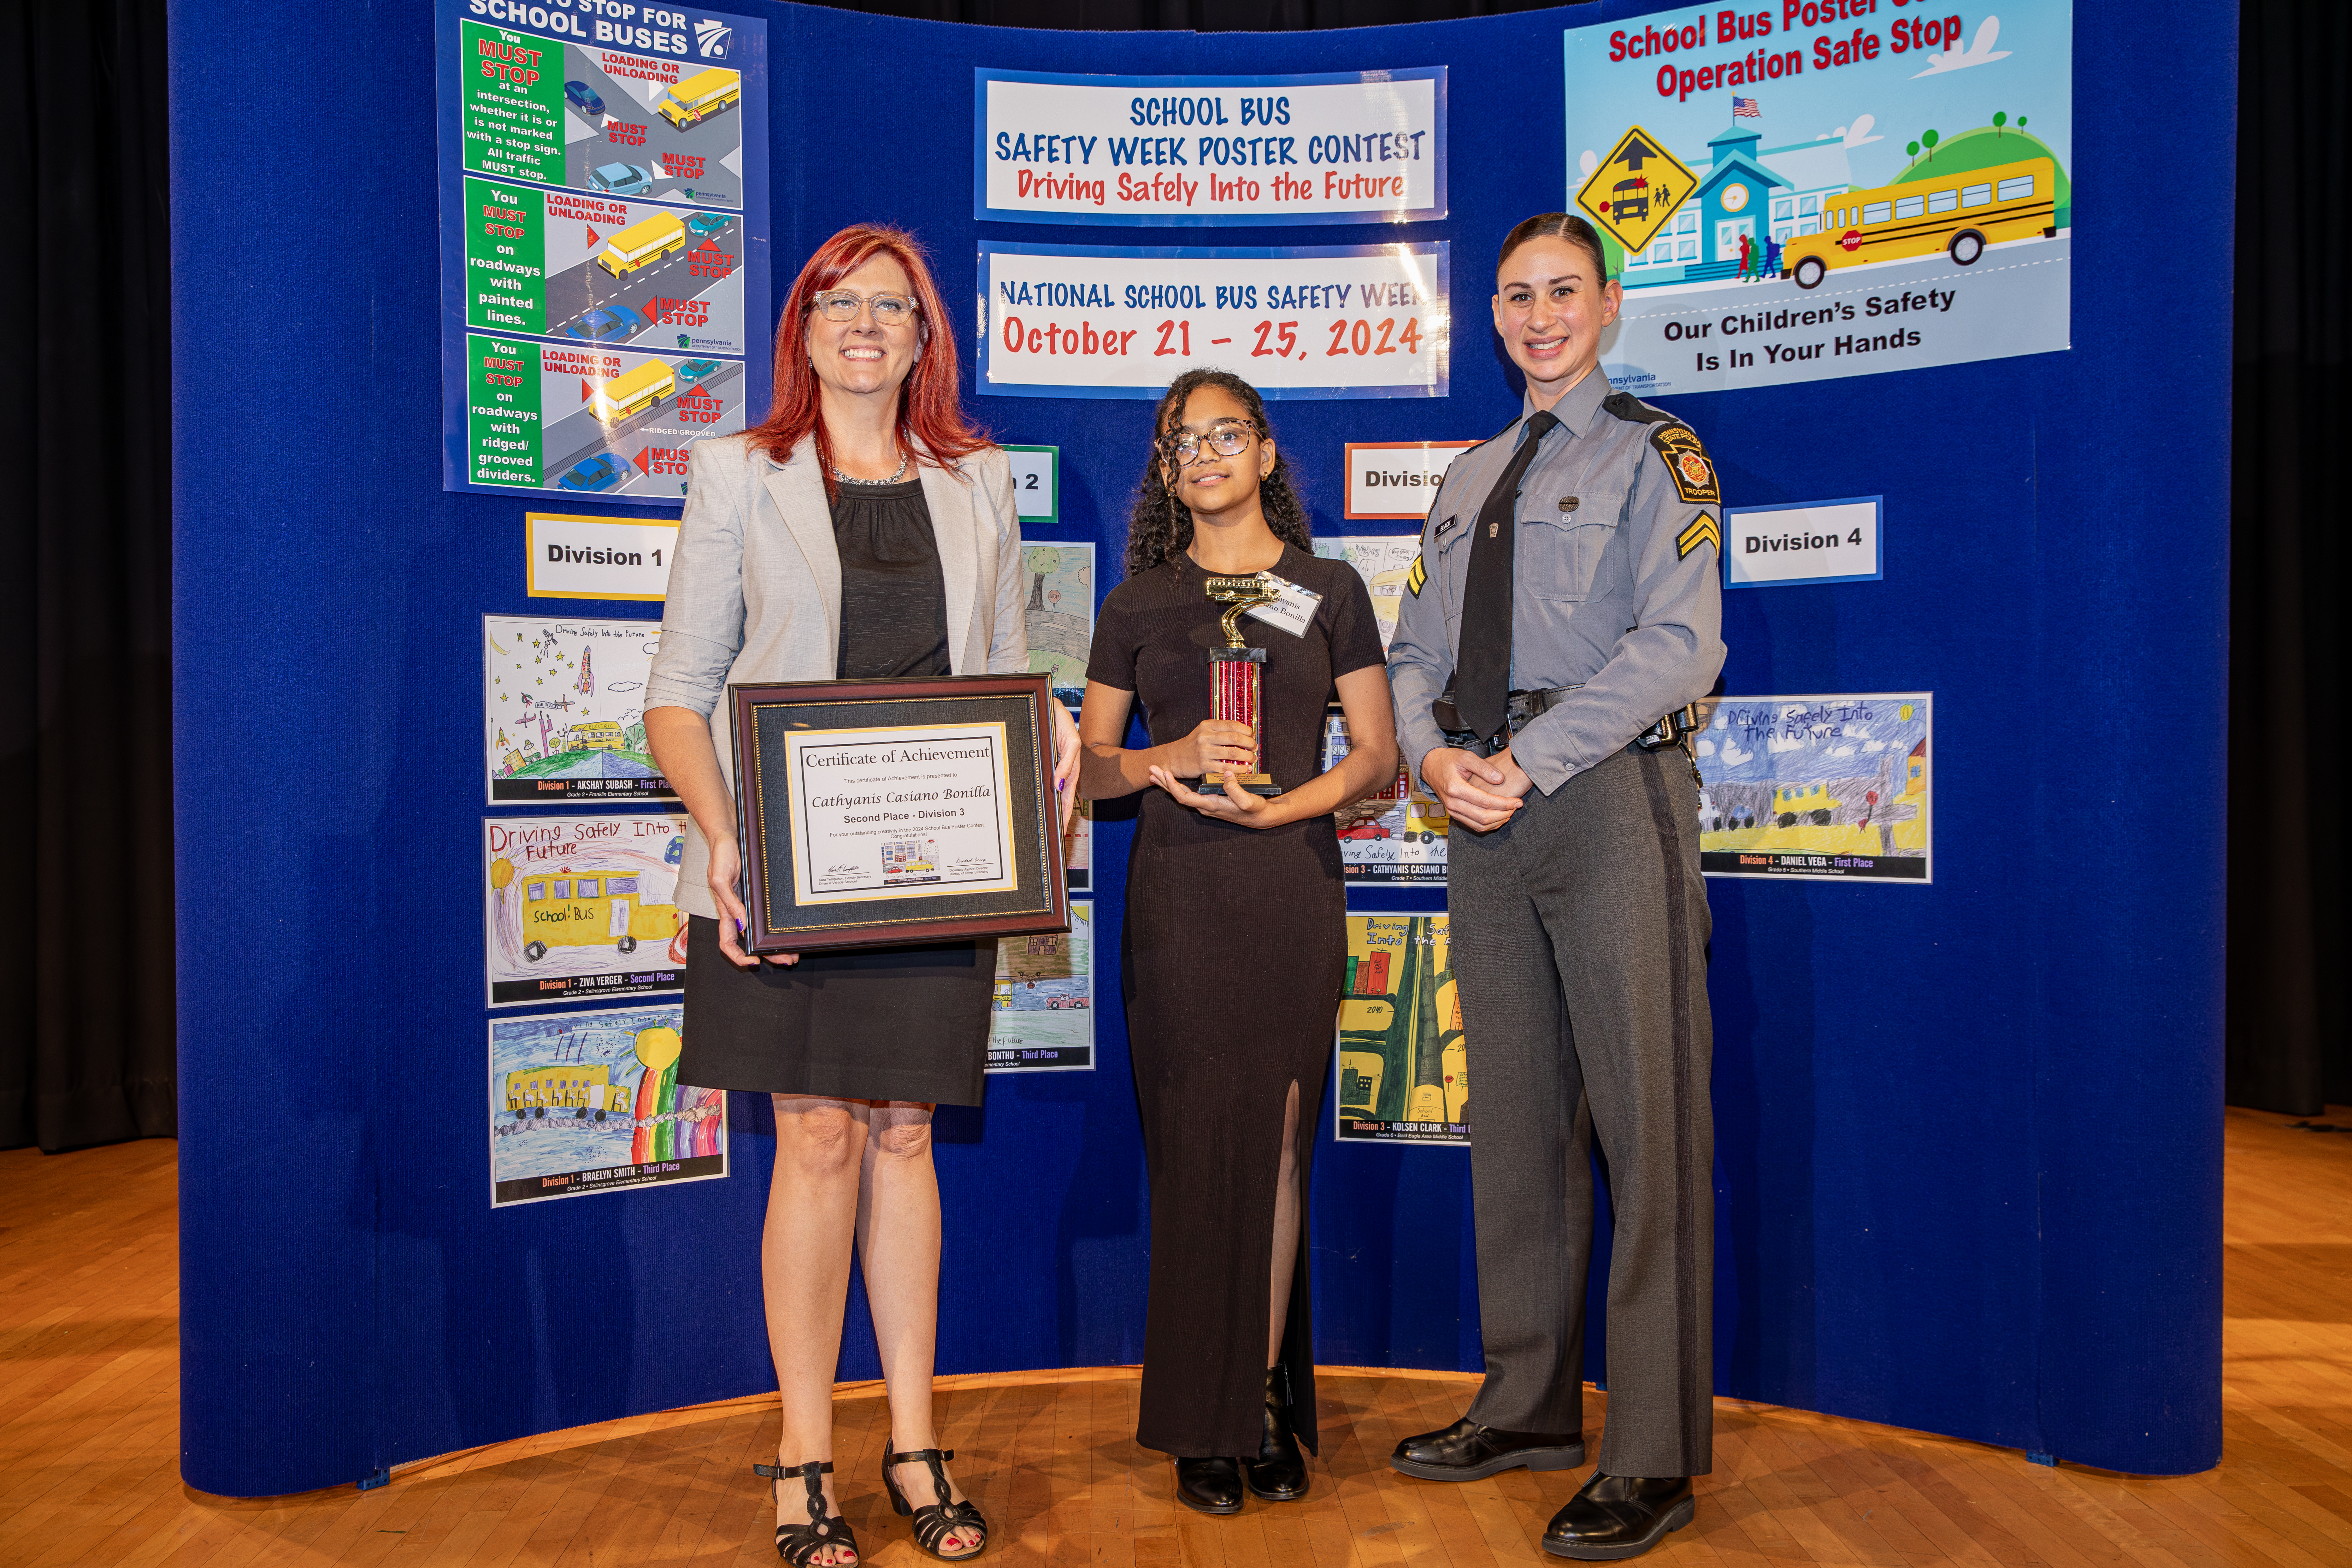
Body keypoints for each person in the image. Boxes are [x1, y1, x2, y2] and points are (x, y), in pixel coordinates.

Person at [644, 223, 1080, 1567]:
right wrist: (721, 836)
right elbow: (676, 694)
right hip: (774, 873)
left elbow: (1003, 668)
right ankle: (800, 1454)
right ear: (804, 325)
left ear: (922, 334)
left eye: (890, 303)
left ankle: (912, 1442)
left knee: (902, 1139)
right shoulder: (738, 473)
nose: (863, 322)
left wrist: (1049, 724)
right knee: (818, 1138)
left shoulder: (979, 479)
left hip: (931, 867)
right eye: (838, 300)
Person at [1383, 212, 1726, 1560]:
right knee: (1516, 1124)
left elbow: (1680, 647)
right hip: (1476, 809)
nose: (1538, 316)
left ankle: (1651, 1453)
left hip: (1605, 796)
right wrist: (1427, 759)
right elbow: (1412, 645)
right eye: (1516, 296)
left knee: (1649, 1128)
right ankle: (1528, 1403)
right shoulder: (1467, 475)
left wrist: (1521, 759)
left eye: (1562, 292)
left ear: (1609, 303)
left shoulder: (1658, 453)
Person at [1076, 369, 1396, 1516]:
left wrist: (1284, 805)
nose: (1202, 454)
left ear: (1265, 452)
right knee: (1193, 1153)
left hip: (1287, 885)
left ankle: (1257, 1399)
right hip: (1177, 900)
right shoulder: (1136, 605)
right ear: (1166, 470)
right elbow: (1095, 774)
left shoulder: (1331, 588)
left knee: (1272, 1150)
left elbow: (1375, 756)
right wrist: (1171, 759)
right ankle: (1201, 1417)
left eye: (1225, 434)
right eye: (1180, 443)